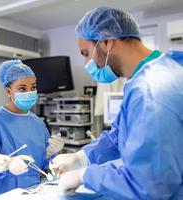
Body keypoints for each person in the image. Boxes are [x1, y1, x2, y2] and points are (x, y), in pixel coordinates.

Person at [50, 6, 183, 199]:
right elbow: (119, 135)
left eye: (85, 53)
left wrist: (84, 176)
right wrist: (79, 158)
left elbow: (149, 183)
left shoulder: (152, 88)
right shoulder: (154, 74)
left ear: (105, 42)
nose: (87, 64)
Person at [0, 60, 64, 199]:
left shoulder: (38, 123)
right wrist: (5, 166)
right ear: (9, 91)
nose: (29, 92)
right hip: (0, 194)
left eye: (33, 87)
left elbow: (42, 166)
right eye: (22, 88)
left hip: (32, 192)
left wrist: (50, 154)